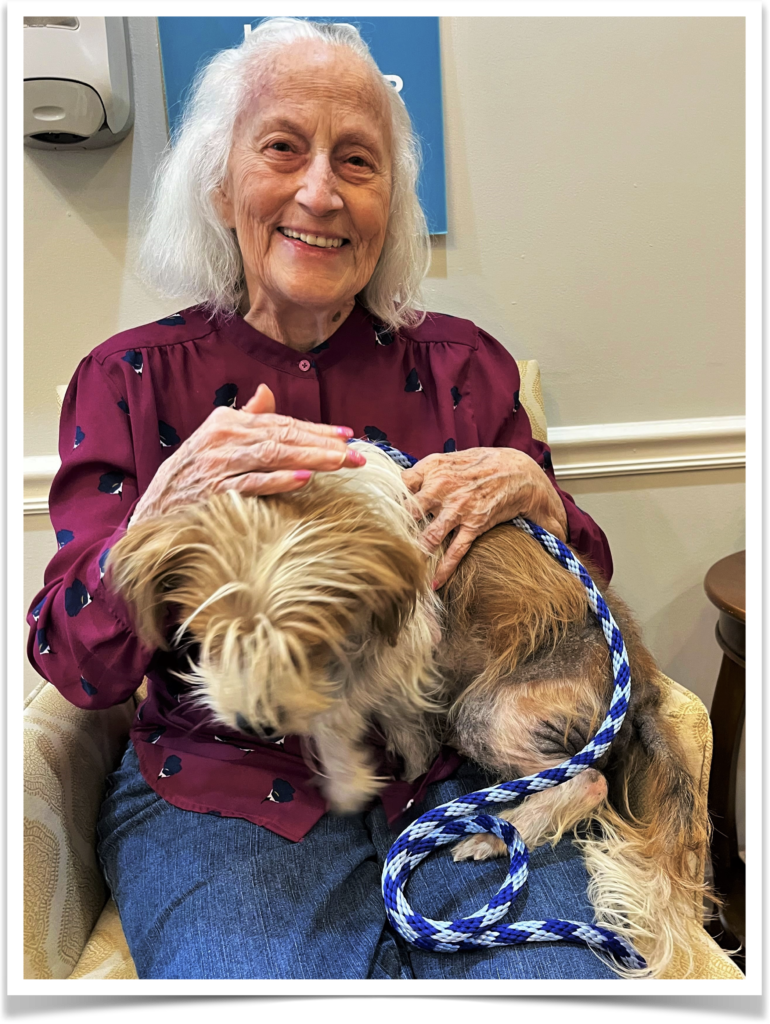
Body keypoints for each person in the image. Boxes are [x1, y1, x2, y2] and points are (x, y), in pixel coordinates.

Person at [27, 17, 618, 980]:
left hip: (463, 772)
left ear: (389, 203)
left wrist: (546, 506)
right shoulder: (131, 379)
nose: (320, 191)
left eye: (357, 160)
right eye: (282, 148)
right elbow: (73, 662)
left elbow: (573, 593)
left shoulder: (466, 367)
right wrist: (156, 519)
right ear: (221, 184)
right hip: (225, 790)